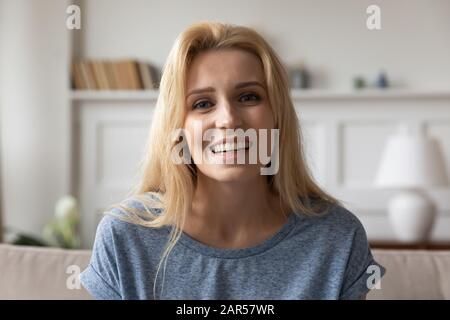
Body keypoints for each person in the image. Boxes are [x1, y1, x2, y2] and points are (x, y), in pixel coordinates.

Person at [80, 21, 385, 300]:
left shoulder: (337, 238)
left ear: (277, 116)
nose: (228, 120)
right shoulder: (126, 237)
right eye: (202, 103)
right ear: (177, 128)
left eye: (249, 97)